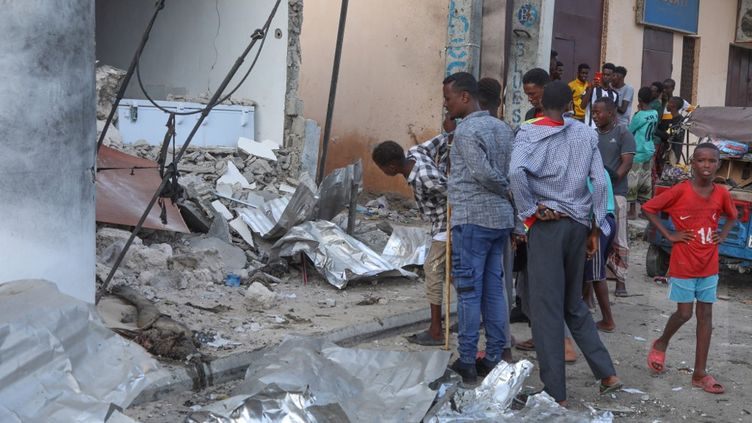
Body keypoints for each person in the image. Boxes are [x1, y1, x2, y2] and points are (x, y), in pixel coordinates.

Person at [510, 81, 621, 405]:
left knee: (545, 310)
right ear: (572, 104)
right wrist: (597, 228)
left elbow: (516, 172)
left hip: (549, 226)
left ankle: (555, 392)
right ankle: (607, 374)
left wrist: (529, 210)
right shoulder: (586, 134)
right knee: (573, 303)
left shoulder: (529, 132)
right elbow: (600, 181)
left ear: (541, 102)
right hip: (578, 225)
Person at [643, 143, 737, 394]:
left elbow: (733, 215)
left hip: (709, 264)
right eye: (701, 160)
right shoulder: (680, 191)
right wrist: (669, 234)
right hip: (684, 263)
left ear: (718, 164)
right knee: (684, 313)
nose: (706, 165)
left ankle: (699, 374)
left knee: (705, 316)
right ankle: (661, 342)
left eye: (711, 161)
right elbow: (648, 208)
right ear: (692, 163)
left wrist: (724, 234)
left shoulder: (722, 194)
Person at [443, 72, 516, 384]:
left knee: (470, 293)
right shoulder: (502, 128)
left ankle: (469, 360)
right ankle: (496, 356)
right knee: (494, 291)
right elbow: (512, 169)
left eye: (448, 99)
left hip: (473, 218)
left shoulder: (466, 132)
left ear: (464, 97)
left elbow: (483, 173)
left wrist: (503, 189)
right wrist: (508, 193)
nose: (446, 106)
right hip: (499, 220)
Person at [371, 115, 455, 346]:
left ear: (391, 167)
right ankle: (464, 318)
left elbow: (454, 192)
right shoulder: (416, 151)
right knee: (455, 273)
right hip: (440, 224)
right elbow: (442, 140)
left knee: (432, 270)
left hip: (447, 225)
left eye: (381, 169)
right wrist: (450, 132)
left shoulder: (425, 179)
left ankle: (436, 330)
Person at [592, 97, 636, 311]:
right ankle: (595, 279)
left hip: (616, 193)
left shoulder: (623, 133)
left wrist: (612, 178)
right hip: (595, 193)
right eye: (593, 112)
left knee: (619, 238)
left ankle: (620, 279)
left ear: (611, 113)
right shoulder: (591, 135)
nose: (595, 115)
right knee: (597, 237)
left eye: (599, 112)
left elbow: (627, 163)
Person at [627, 87, 659, 219]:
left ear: (639, 100)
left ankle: (632, 211)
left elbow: (630, 131)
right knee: (646, 180)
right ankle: (645, 211)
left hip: (639, 151)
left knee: (633, 180)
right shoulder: (655, 113)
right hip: (649, 149)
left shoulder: (639, 116)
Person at [582, 63, 619, 129]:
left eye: (608, 75)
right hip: (590, 128)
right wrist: (590, 88)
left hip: (606, 132)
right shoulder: (592, 88)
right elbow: (582, 106)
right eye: (604, 74)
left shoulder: (615, 94)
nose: (605, 77)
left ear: (613, 76)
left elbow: (614, 114)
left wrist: (615, 128)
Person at [655, 96, 686, 173]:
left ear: (673, 105)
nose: (667, 105)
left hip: (673, 154)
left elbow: (670, 136)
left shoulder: (679, 121)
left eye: (668, 103)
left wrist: (654, 130)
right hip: (666, 152)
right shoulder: (670, 120)